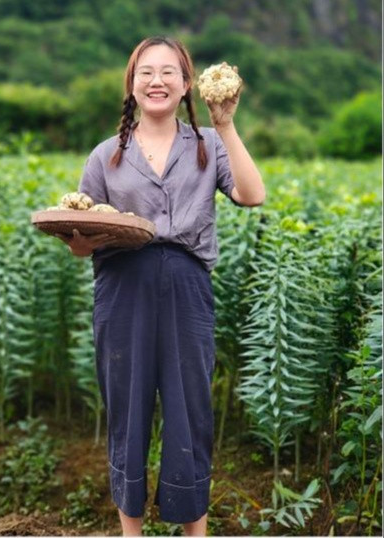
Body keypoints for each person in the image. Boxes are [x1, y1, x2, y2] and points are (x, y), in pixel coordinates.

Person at [56, 36, 265, 537]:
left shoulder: (207, 145)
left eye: (169, 72)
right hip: (122, 288)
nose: (157, 81)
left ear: (186, 83)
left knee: (189, 409)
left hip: (188, 288)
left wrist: (226, 124)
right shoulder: (105, 156)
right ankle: (133, 533)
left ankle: (195, 533)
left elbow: (251, 195)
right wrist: (79, 243)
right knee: (126, 410)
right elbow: (81, 235)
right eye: (145, 72)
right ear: (131, 85)